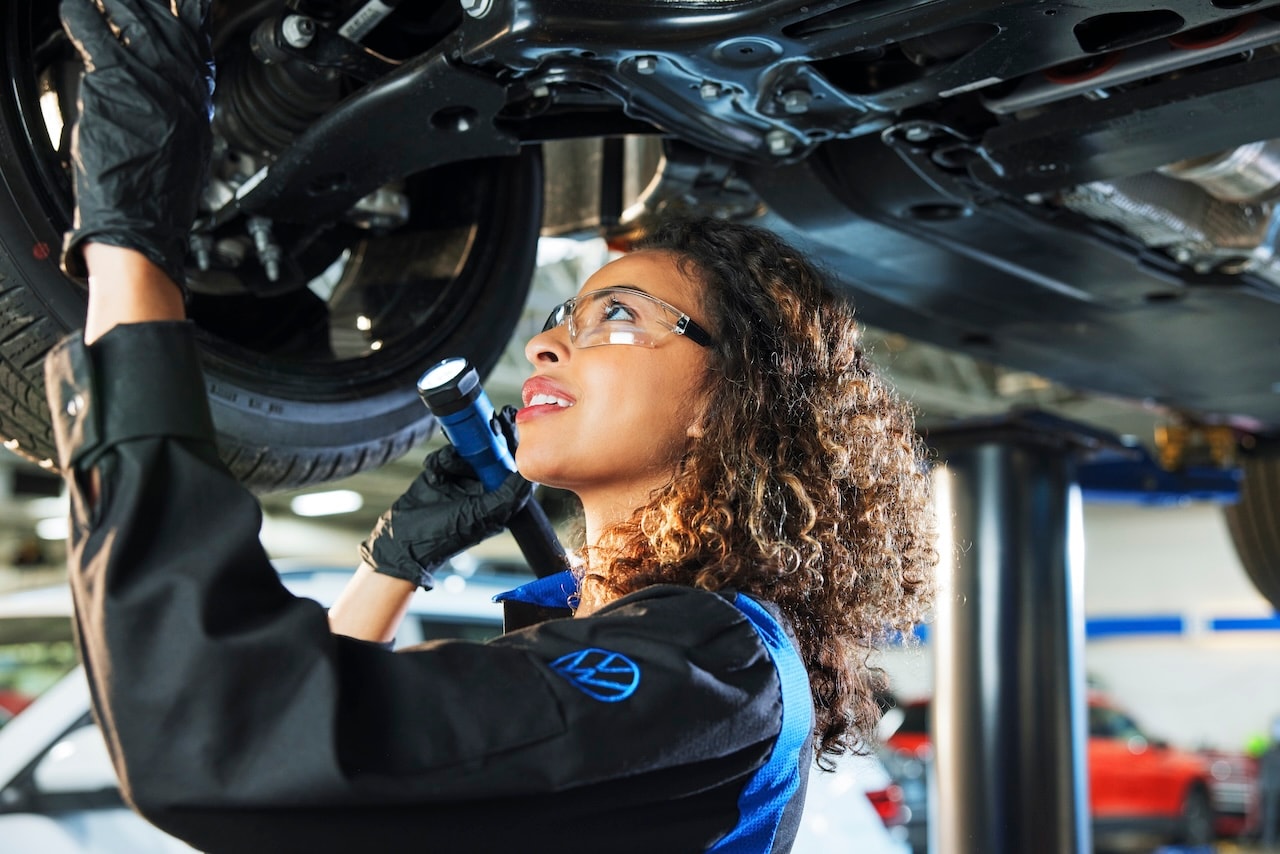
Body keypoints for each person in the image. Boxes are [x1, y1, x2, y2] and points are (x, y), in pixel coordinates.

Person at [46, 0, 936, 852]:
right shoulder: (636, 645)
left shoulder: (714, 665)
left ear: (726, 404)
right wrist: (388, 569)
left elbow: (232, 742)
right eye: (563, 314)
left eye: (616, 318)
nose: (546, 343)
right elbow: (327, 802)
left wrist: (134, 250)